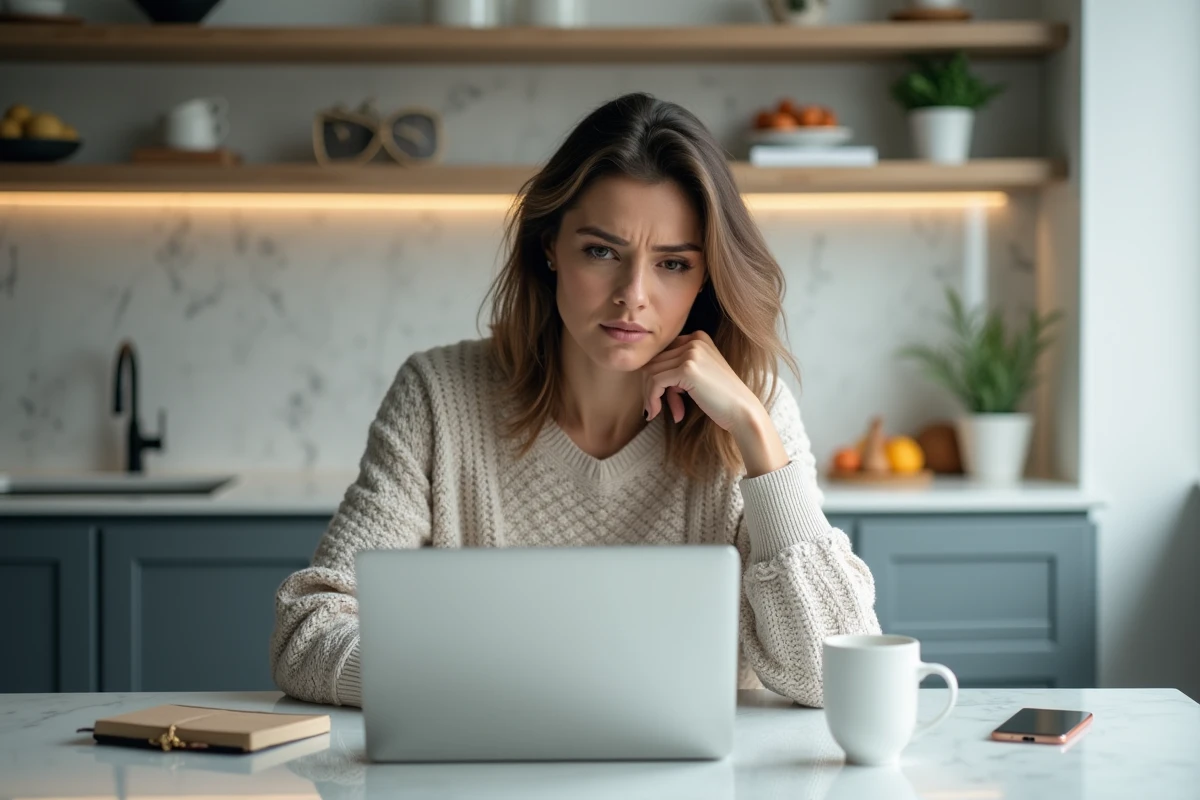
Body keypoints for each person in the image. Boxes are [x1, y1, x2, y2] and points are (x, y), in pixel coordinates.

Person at [270, 92, 881, 710]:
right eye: (601, 251)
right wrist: (506, 691)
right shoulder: (438, 395)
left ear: (706, 279)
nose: (632, 296)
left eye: (672, 263)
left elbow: (835, 674)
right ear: (549, 247)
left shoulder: (754, 412)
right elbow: (308, 632)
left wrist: (755, 430)